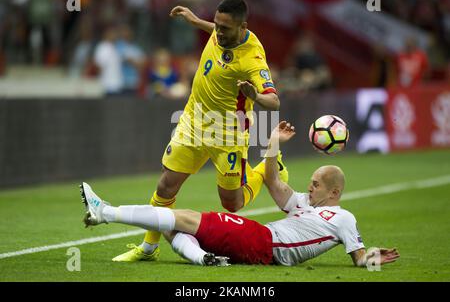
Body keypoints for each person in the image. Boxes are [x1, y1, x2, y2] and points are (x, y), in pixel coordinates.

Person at [80, 121, 400, 267]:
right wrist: (272, 144)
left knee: (184, 217)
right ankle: (203, 259)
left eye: (316, 184)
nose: (309, 187)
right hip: (261, 245)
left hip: (263, 242)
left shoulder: (344, 218)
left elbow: (359, 259)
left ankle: (104, 212)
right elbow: (274, 183)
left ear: (335, 191)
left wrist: (375, 257)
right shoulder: (304, 204)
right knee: (172, 226)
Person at [112, 0, 285, 262]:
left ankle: (262, 171)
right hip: (193, 122)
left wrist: (256, 96)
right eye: (216, 25)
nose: (217, 32)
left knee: (232, 204)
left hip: (228, 133)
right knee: (166, 185)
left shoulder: (252, 59)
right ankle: (149, 248)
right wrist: (195, 21)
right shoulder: (221, 32)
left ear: (242, 27)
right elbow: (215, 30)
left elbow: (274, 101)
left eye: (224, 28)